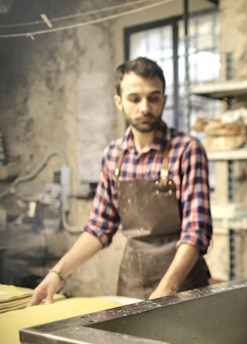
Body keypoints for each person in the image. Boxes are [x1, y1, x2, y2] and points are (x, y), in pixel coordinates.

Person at [28, 57, 212, 305]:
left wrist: (167, 289)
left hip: (183, 288)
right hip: (131, 286)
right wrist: (57, 273)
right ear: (119, 102)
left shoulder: (187, 150)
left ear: (164, 101)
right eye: (135, 99)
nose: (145, 108)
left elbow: (196, 232)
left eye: (153, 98)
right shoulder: (113, 156)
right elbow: (99, 228)